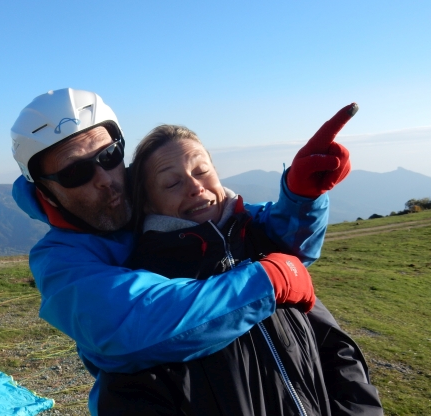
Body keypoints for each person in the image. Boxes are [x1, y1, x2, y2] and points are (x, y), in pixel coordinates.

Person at [10, 89, 355, 413]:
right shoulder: (60, 259)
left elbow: (265, 236)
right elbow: (130, 323)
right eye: (75, 172)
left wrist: (301, 199)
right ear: (45, 190)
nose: (105, 178)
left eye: (109, 155)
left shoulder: (153, 201)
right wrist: (264, 282)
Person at [95, 125, 383, 415]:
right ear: (146, 202)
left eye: (202, 171)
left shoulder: (264, 244)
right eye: (172, 183)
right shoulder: (143, 287)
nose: (196, 187)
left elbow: (334, 348)